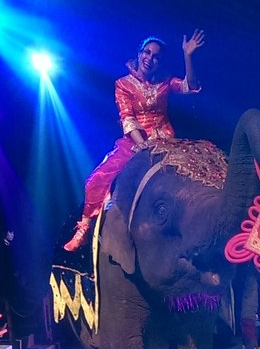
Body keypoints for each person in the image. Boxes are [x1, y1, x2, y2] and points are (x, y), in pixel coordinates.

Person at [64, 31, 205, 251]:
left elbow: (191, 86)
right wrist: (142, 146)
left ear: (160, 62)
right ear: (139, 54)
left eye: (156, 56)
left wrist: (188, 56)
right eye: (147, 53)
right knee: (96, 180)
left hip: (165, 140)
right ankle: (84, 227)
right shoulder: (123, 84)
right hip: (134, 141)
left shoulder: (165, 82)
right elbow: (127, 118)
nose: (150, 58)